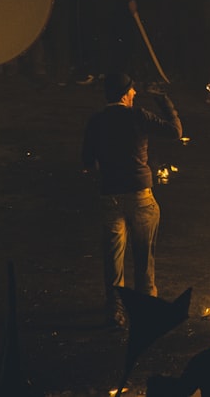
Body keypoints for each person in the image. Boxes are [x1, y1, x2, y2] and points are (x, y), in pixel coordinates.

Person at [81, 72, 181, 327]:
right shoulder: (138, 116)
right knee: (144, 255)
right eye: (133, 90)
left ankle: (115, 310)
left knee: (114, 257)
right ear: (125, 94)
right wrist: (163, 99)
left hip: (110, 197)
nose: (135, 94)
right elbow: (175, 131)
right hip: (140, 195)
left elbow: (87, 162)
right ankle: (146, 309)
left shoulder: (96, 121)